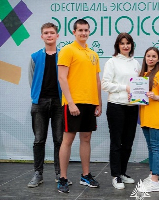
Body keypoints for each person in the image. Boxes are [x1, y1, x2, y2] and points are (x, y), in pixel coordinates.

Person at [57, 19, 102, 193]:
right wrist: (70, 102)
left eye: (86, 30)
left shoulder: (93, 54)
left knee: (86, 139)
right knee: (67, 140)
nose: (83, 33)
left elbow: (97, 80)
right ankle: (63, 178)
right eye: (80, 30)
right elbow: (62, 77)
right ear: (74, 32)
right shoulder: (67, 50)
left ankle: (85, 175)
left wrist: (98, 102)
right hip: (73, 103)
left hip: (90, 103)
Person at [27, 22, 73, 188]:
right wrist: (36, 97)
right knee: (39, 139)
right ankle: (38, 174)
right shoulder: (35, 57)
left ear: (57, 36)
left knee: (59, 140)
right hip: (40, 103)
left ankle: (59, 174)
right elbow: (32, 80)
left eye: (52, 32)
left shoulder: (64, 56)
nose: (49, 35)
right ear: (42, 36)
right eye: (46, 33)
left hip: (60, 103)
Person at [101, 32, 141, 190]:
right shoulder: (112, 62)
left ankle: (123, 172)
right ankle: (115, 175)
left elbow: (139, 84)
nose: (125, 46)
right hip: (116, 106)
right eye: (122, 43)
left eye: (128, 43)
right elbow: (105, 84)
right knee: (117, 142)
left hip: (132, 107)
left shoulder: (136, 63)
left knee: (128, 142)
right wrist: (125, 87)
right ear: (117, 45)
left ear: (131, 45)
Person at [139, 47, 159, 192]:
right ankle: (152, 174)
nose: (150, 58)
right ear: (145, 58)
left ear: (158, 59)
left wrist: (156, 97)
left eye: (153, 56)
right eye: (148, 56)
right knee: (151, 147)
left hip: (157, 116)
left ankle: (155, 181)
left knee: (156, 147)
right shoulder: (143, 74)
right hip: (145, 116)